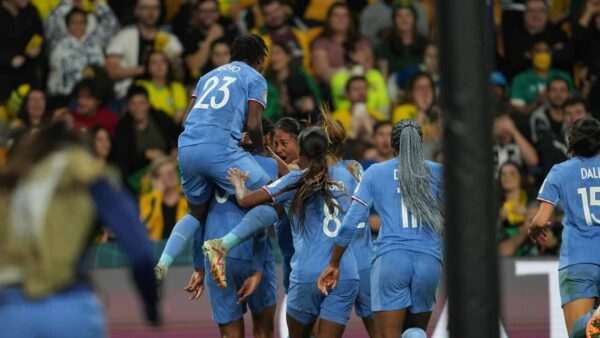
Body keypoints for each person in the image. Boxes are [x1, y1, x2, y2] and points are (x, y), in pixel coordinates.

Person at [0, 121, 160, 337]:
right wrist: (151, 305)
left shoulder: (13, 180)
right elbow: (139, 250)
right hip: (69, 307)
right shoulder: (85, 171)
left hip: (10, 313)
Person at [213, 126, 360, 338]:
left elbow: (245, 200)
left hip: (308, 273)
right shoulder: (347, 177)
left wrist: (238, 183)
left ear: (301, 152)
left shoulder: (294, 181)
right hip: (344, 273)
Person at [154, 34, 270, 283]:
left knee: (196, 211)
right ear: (260, 58)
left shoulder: (207, 77)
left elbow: (186, 120)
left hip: (186, 147)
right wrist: (259, 148)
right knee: (271, 197)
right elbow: (253, 122)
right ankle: (224, 245)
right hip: (220, 148)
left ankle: (163, 261)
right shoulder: (255, 77)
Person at [318, 119, 444, 338]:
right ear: (420, 143)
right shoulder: (439, 173)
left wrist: (334, 262)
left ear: (392, 145)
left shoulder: (376, 172)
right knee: (414, 332)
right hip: (429, 261)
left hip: (391, 260)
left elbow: (350, 223)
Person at [187, 150, 279, 338]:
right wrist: (257, 269)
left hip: (215, 256)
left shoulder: (202, 166)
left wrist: (198, 266)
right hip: (252, 253)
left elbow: (196, 215)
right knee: (263, 330)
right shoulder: (265, 163)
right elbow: (262, 215)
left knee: (230, 334)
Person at [529, 117, 600, 337]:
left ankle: (593, 321)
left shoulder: (560, 171)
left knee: (580, 334)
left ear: (571, 142)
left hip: (577, 260)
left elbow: (541, 220)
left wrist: (534, 230)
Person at [46, 6, 112, 106]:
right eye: (74, 23)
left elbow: (111, 24)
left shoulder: (96, 41)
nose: (78, 26)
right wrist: (68, 2)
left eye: (82, 23)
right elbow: (51, 20)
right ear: (67, 25)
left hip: (93, 99)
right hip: (63, 98)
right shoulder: (57, 42)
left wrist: (98, 3)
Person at [140, 157, 188, 241]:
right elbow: (144, 227)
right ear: (156, 179)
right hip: (156, 250)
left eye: (174, 171)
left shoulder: (187, 197)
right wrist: (157, 195)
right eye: (168, 173)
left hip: (185, 250)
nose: (173, 175)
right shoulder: (147, 200)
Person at [136, 51, 188, 124]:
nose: (159, 66)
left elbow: (179, 117)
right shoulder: (140, 86)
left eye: (163, 62)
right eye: (154, 63)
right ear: (148, 67)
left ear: (168, 65)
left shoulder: (177, 88)